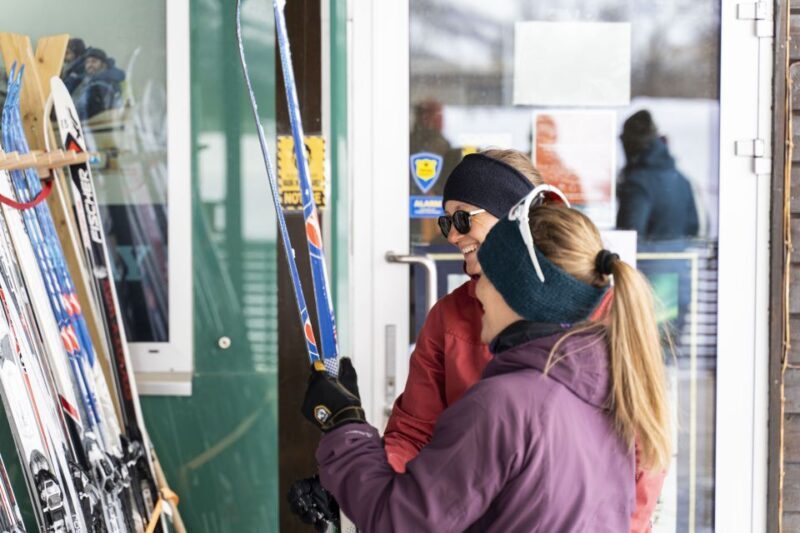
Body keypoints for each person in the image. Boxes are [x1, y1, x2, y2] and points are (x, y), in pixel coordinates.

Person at [289, 151, 665, 532]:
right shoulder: (452, 316)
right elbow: (415, 435)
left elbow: (641, 453)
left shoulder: (587, 336)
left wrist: (347, 437)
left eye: (463, 218)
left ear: (516, 222)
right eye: (445, 221)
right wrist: (359, 482)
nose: (452, 234)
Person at [616, 110, 700, 240]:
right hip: (681, 259)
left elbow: (629, 237)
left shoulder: (637, 184)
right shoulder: (682, 180)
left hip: (646, 259)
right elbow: (693, 228)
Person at [70, 47, 125, 120]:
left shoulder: (105, 82)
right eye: (87, 62)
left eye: (94, 61)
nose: (90, 65)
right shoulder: (85, 79)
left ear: (103, 64)